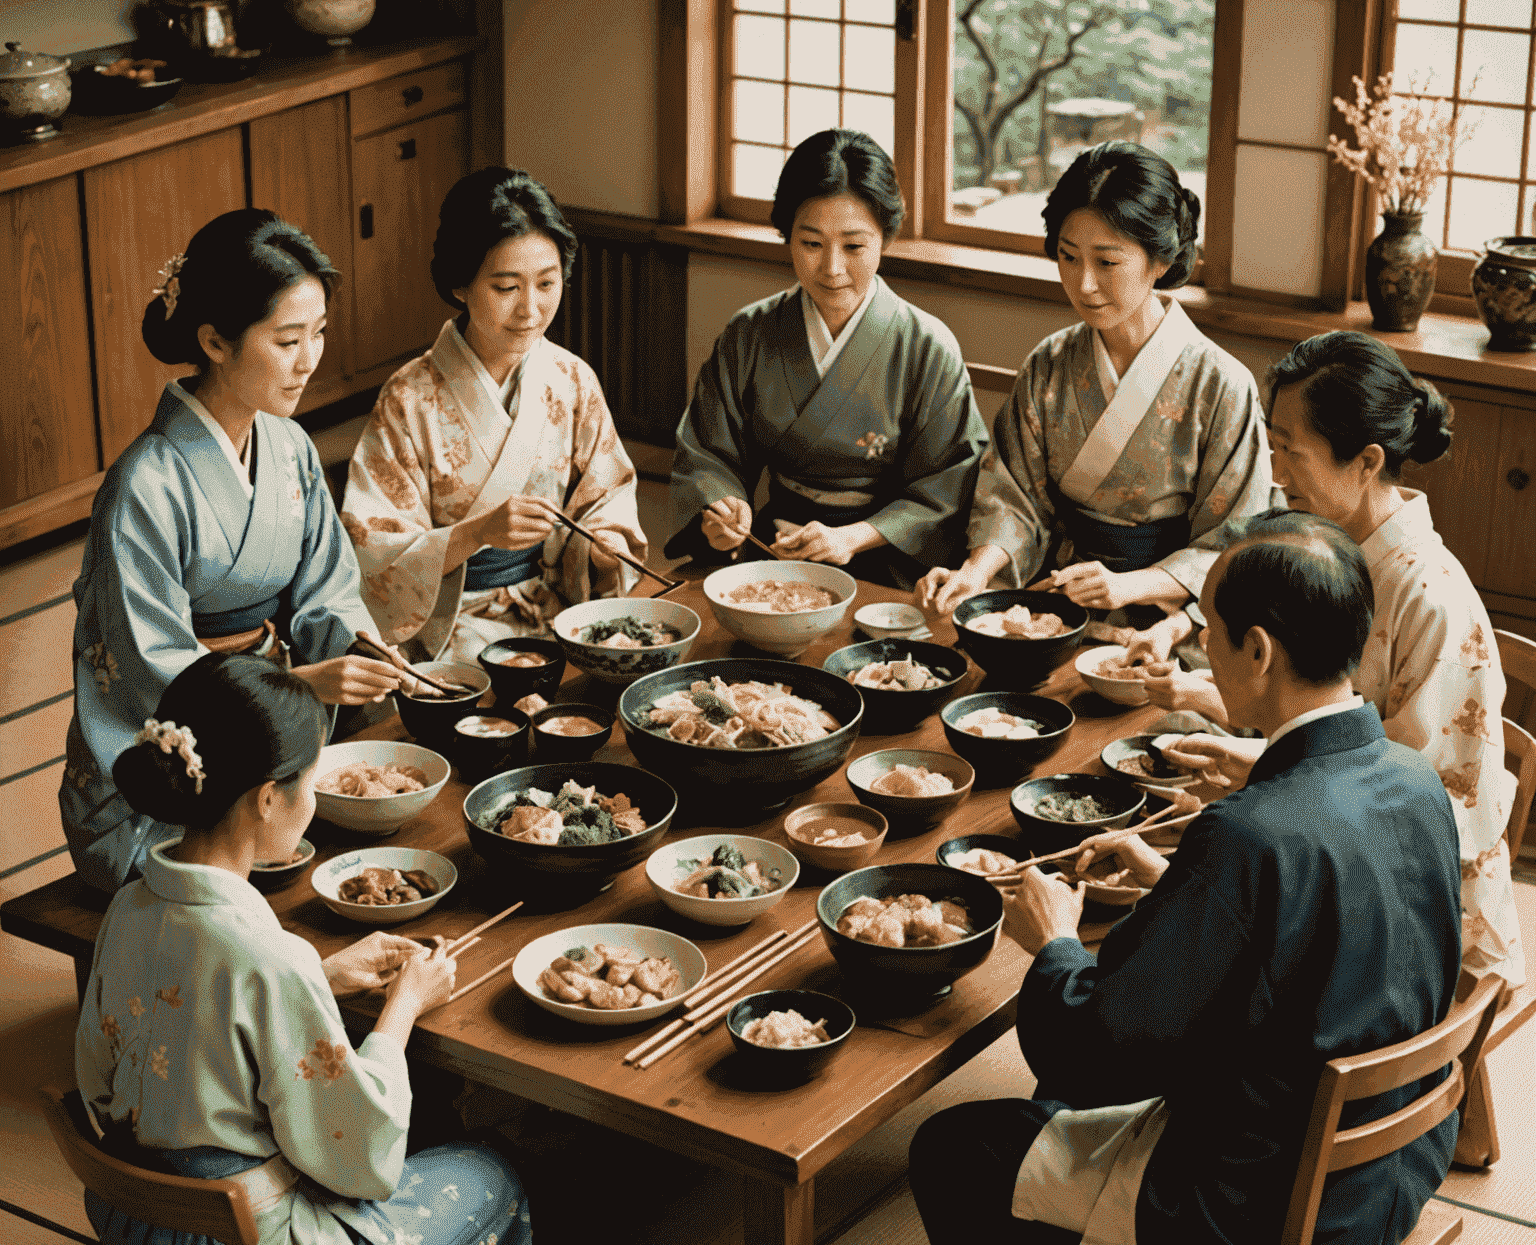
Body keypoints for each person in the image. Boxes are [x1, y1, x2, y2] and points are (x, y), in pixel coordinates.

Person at [909, 510, 1463, 1245]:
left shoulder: (1248, 836)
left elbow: (1090, 1056)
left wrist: (1052, 941)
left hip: (1260, 1222)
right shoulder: (1413, 777)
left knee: (956, 1146)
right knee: (1068, 1120)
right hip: (1394, 1169)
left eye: (1207, 629)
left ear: (1258, 649)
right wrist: (1183, 883)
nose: (1200, 646)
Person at [77, 653, 531, 1245]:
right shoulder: (267, 959)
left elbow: (116, 1070)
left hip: (137, 1241)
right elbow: (358, 1157)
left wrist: (317, 974)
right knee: (491, 1173)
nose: (311, 799)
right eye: (309, 782)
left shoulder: (130, 907)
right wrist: (401, 1009)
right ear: (266, 797)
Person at [1140, 334, 1524, 996]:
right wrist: (1261, 765)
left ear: (1367, 460)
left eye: (1291, 448)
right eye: (1274, 443)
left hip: (1418, 915)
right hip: (1347, 846)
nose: (1277, 471)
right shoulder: (1340, 553)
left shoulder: (1430, 598)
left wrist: (1268, 788)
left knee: (1178, 933)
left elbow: (1425, 808)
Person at [60, 210, 403, 894]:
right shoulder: (143, 486)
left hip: (271, 741)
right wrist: (297, 687)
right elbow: (145, 660)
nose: (310, 360)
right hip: (168, 775)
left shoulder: (290, 447)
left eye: (319, 334)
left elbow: (326, 587)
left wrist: (356, 648)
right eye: (287, 340)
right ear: (214, 340)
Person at [916, 142, 1272, 624]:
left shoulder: (1221, 385)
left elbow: (1235, 543)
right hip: (1053, 610)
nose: (1083, 284)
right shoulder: (1050, 364)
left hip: (1167, 627)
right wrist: (977, 572)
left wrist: (1128, 586)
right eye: (1068, 257)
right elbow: (1013, 497)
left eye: (1107, 262)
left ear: (1159, 261)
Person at [341, 167, 645, 662]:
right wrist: (475, 534)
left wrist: (604, 545)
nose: (531, 309)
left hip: (559, 611)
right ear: (460, 284)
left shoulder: (570, 379)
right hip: (451, 623)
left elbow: (607, 493)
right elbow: (374, 549)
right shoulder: (408, 399)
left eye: (547, 283)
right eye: (506, 288)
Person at [667, 128, 988, 587]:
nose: (832, 268)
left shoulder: (927, 347)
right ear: (787, 236)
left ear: (885, 238)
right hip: (772, 549)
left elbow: (946, 487)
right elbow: (707, 456)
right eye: (811, 244)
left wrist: (852, 537)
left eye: (854, 246)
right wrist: (721, 514)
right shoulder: (750, 334)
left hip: (885, 563)